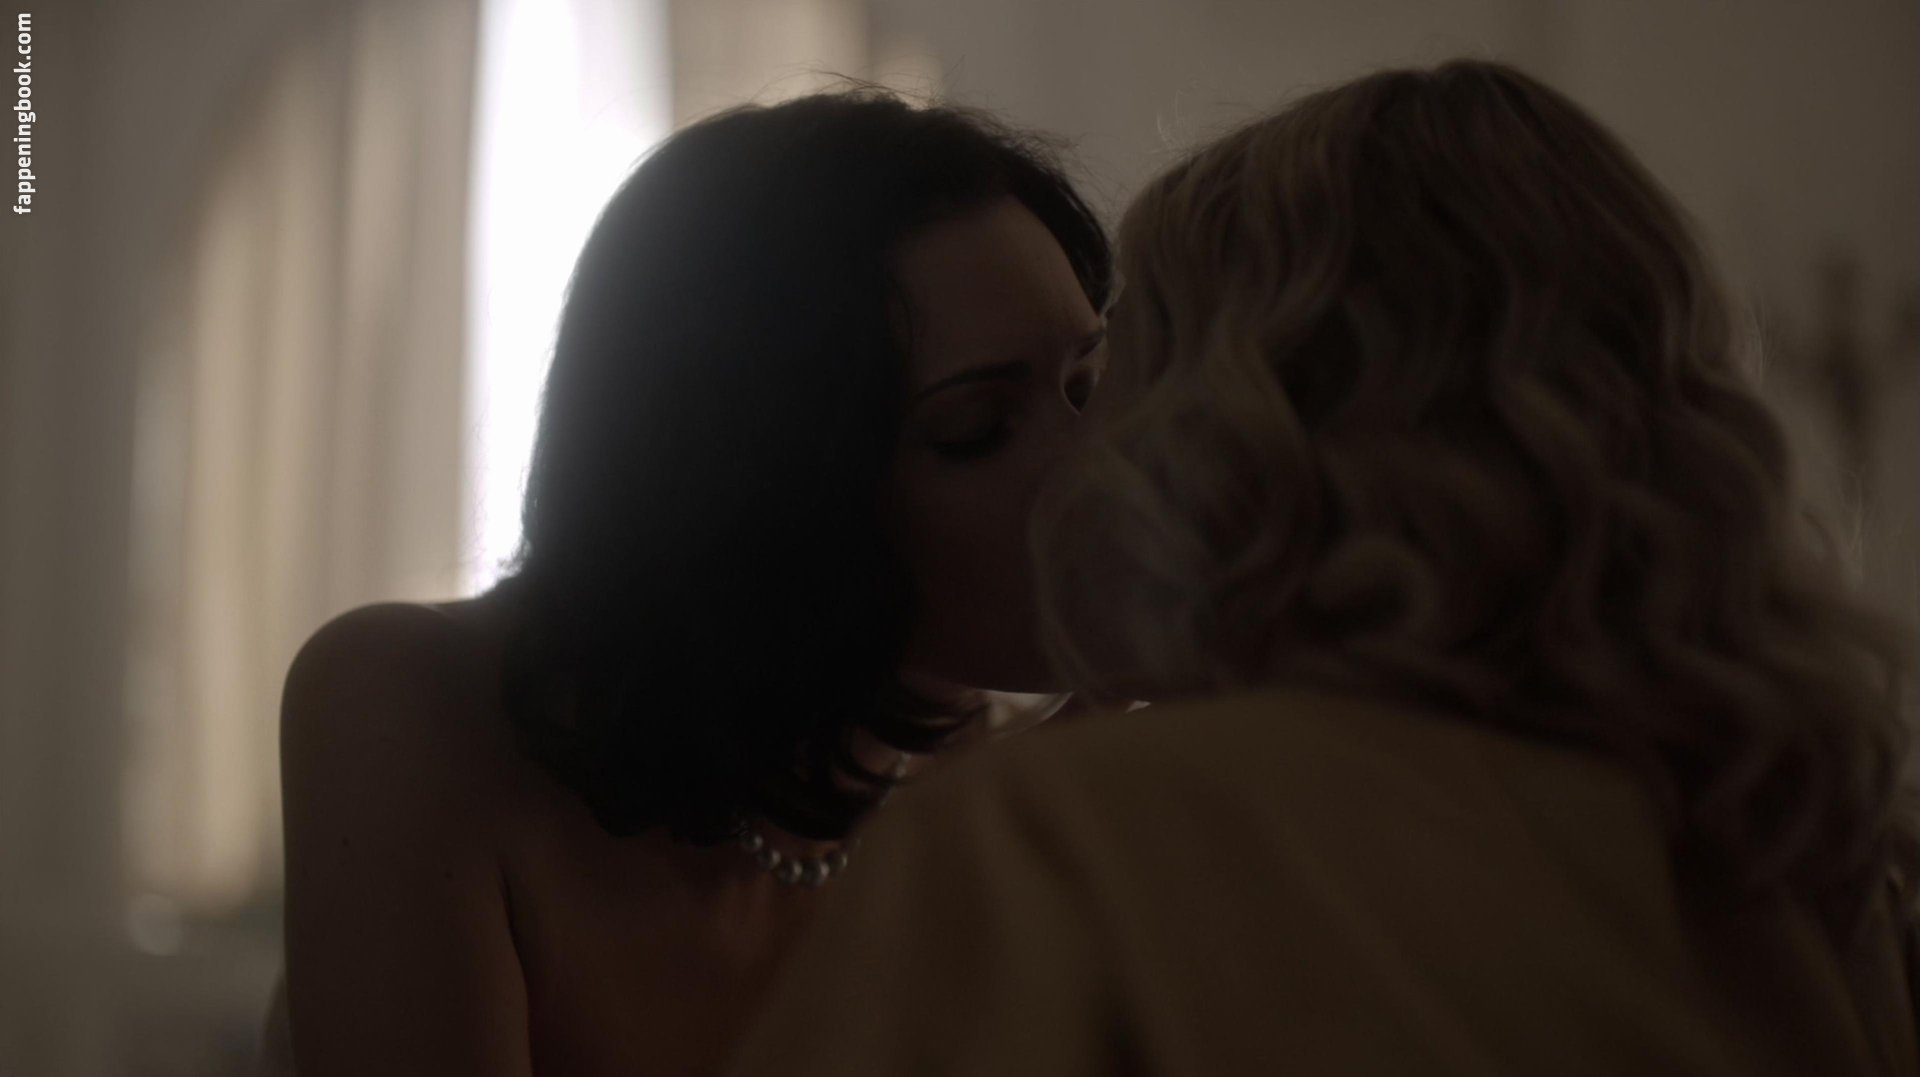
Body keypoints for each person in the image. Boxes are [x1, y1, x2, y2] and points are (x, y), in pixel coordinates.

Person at [722, 61, 1920, 1076]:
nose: (1079, 458)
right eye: (987, 425)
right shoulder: (1802, 851)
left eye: (1104, 374)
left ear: (1235, 424)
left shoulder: (1049, 846)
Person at [273, 88, 1113, 1077]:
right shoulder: (411, 704)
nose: (1102, 462)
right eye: (978, 429)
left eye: (1088, 385)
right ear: (762, 482)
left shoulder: (988, 773)